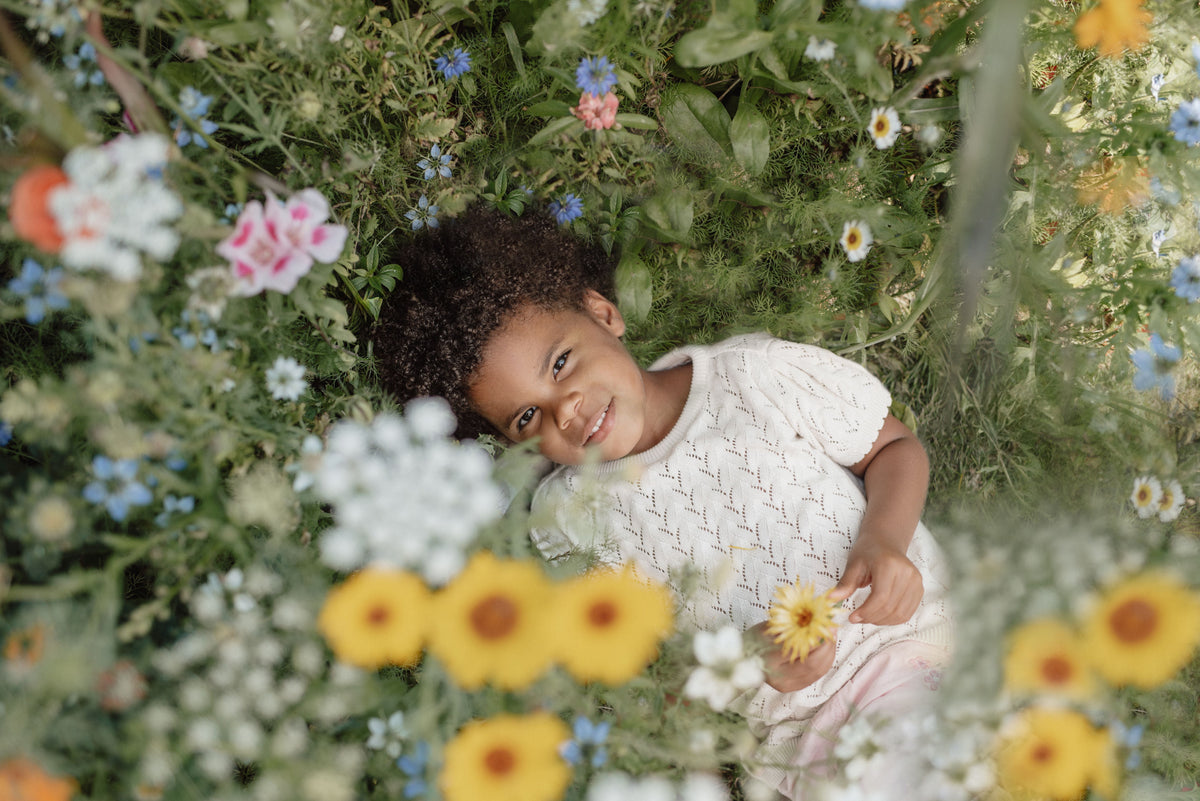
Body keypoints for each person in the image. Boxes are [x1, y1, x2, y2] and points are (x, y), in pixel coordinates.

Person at [374, 208, 953, 799]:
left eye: (560, 363)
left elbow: (895, 448)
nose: (565, 409)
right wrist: (750, 658)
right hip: (806, 738)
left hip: (912, 644)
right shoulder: (572, 525)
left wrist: (883, 540)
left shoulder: (754, 380)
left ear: (603, 313)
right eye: (527, 417)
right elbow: (658, 684)